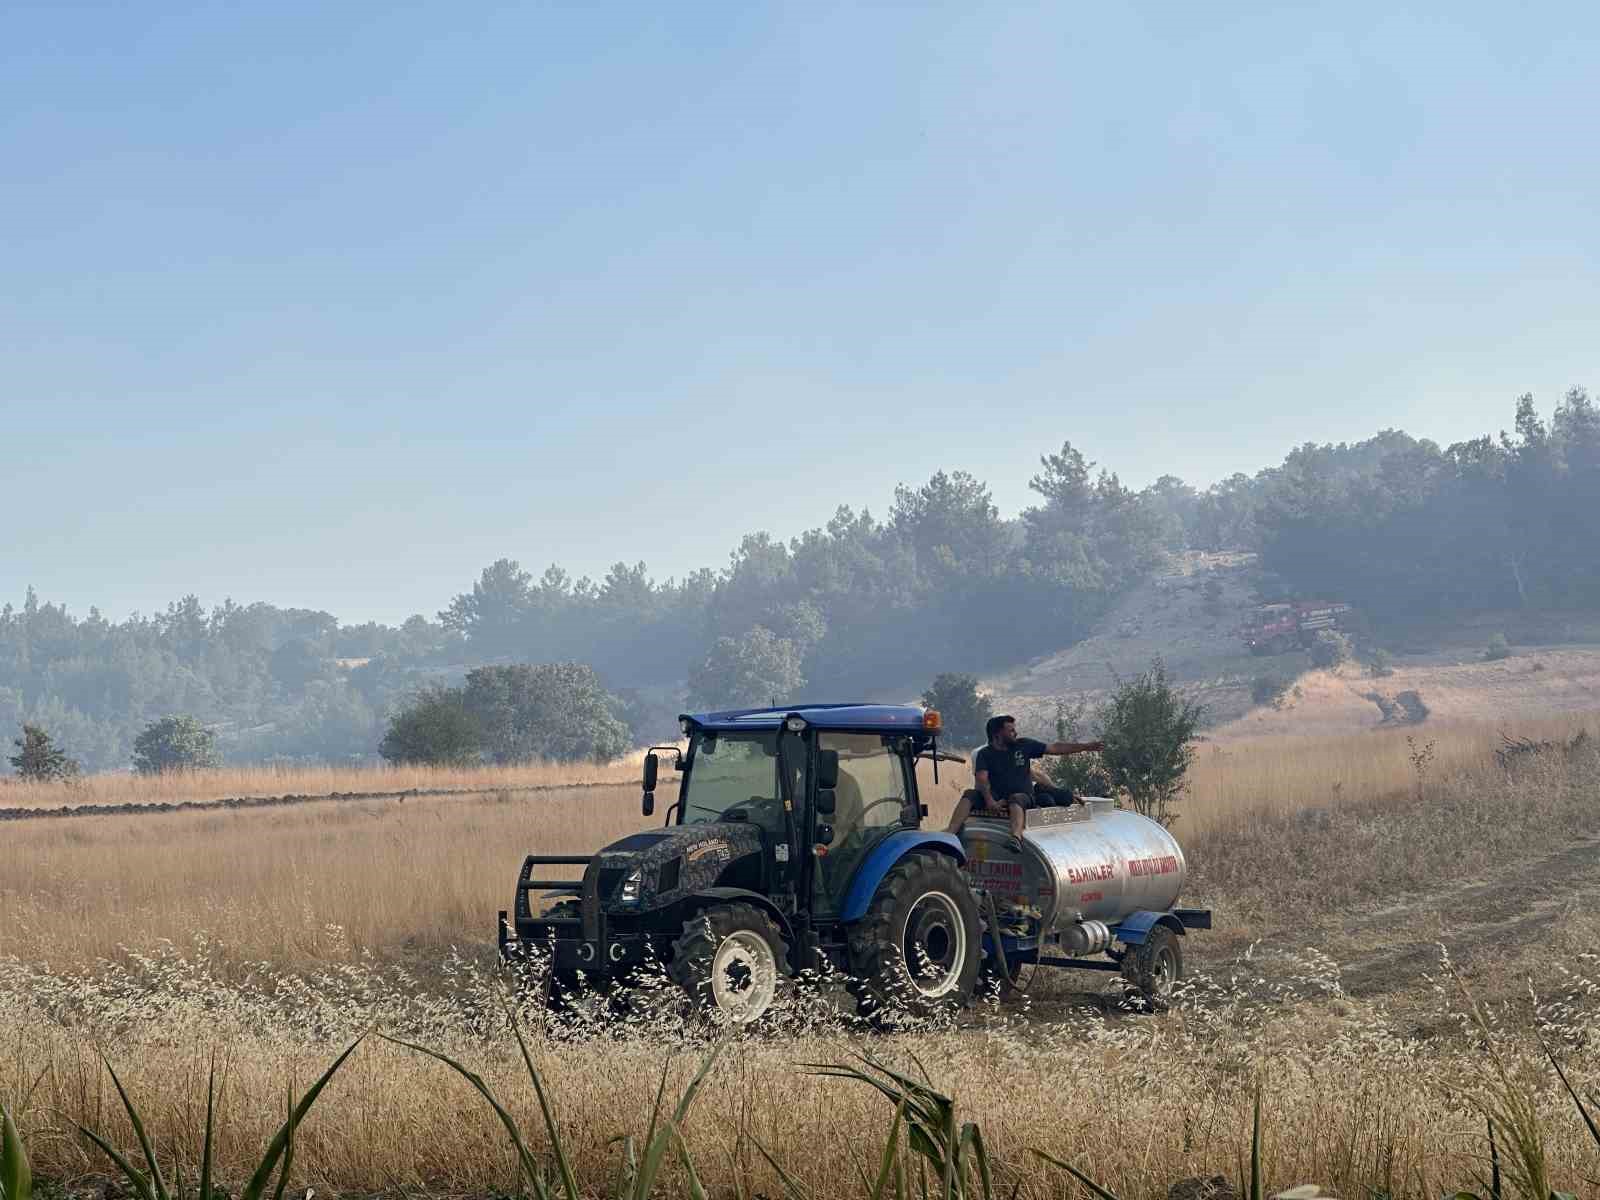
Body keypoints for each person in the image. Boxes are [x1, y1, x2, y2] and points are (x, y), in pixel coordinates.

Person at [946, 715, 1104, 851]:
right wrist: (990, 801)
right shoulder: (984, 754)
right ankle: (950, 833)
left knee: (1016, 798)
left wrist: (1085, 746)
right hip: (996, 798)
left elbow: (1055, 748)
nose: (1016, 733)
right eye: (1011, 730)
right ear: (997, 735)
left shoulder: (1024, 746)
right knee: (969, 794)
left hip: (1023, 797)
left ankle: (1016, 837)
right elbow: (982, 779)